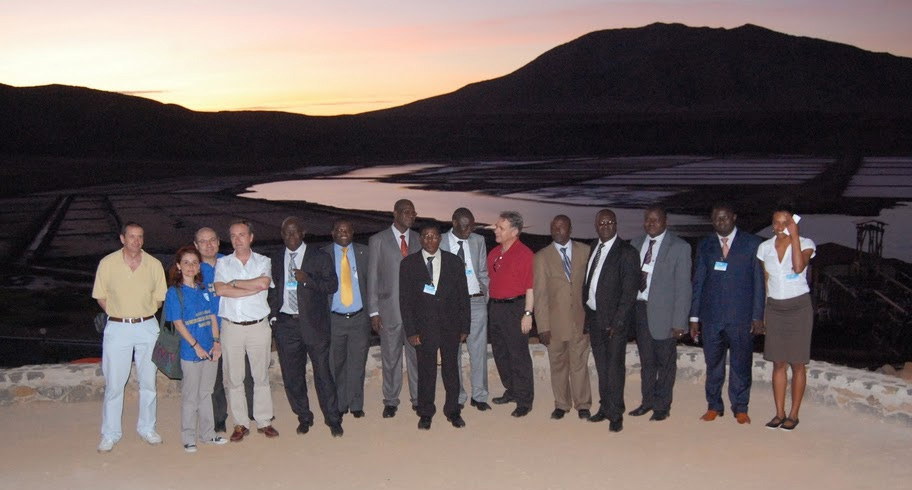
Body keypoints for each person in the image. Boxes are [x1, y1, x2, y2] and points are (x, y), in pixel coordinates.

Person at [93, 221, 167, 453]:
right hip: (118, 327)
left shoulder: (153, 264)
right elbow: (101, 296)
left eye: (140, 236)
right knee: (115, 384)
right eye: (132, 236)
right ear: (122, 238)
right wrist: (119, 313)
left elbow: (159, 299)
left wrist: (140, 313)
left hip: (147, 326)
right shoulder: (107, 263)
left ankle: (147, 428)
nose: (137, 240)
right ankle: (110, 433)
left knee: (148, 382)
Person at [689, 203, 765, 425]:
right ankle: (714, 406)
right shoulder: (705, 244)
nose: (720, 222)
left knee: (741, 364)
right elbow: (698, 281)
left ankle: (740, 408)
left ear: (734, 217)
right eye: (715, 218)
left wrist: (758, 316)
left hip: (741, 317)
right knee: (713, 365)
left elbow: (759, 283)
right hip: (711, 317)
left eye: (724, 217)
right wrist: (694, 317)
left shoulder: (752, 243)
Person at [268, 217, 343, 437]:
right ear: (282, 235)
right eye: (286, 233)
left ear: (303, 232)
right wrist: (273, 317)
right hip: (286, 325)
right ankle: (304, 416)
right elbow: (272, 289)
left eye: (295, 232)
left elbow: (332, 285)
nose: (291, 237)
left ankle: (333, 419)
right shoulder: (275, 258)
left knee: (323, 375)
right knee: (292, 376)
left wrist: (307, 279)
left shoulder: (319, 257)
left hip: (314, 325)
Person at [400, 224, 471, 430]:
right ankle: (425, 412)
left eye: (433, 236)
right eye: (425, 236)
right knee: (426, 372)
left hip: (451, 326)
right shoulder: (409, 264)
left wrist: (464, 326)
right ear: (420, 239)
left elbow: (463, 296)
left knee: (451, 371)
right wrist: (411, 331)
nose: (429, 240)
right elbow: (405, 301)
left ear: (440, 239)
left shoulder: (454, 262)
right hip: (423, 328)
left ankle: (453, 411)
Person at [213, 219, 277, 442]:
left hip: (258, 326)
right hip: (231, 328)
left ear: (251, 237)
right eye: (233, 235)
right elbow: (219, 290)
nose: (237, 239)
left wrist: (233, 283)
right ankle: (240, 423)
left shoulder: (263, 261)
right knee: (234, 378)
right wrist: (249, 287)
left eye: (241, 235)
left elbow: (264, 284)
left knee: (261, 376)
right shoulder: (223, 263)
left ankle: (264, 421)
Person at [628, 206, 692, 421]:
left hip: (666, 315)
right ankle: (647, 402)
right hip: (640, 310)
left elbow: (683, 288)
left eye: (656, 220)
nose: (651, 223)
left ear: (666, 221)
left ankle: (662, 407)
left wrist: (680, 322)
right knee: (646, 362)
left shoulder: (680, 247)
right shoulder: (636, 244)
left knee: (665, 364)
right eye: (647, 219)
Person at [163, 246, 229, 452]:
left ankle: (208, 434)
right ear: (178, 266)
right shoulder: (175, 292)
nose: (190, 267)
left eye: (194, 262)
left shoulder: (204, 289)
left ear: (199, 266)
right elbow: (178, 323)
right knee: (191, 396)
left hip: (210, 349)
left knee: (206, 393)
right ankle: (188, 437)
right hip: (191, 352)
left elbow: (212, 317)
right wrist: (196, 346)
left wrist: (217, 342)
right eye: (186, 263)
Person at [757, 204, 816, 431]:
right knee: (778, 362)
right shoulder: (764, 248)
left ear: (793, 222)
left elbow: (798, 267)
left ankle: (794, 414)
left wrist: (795, 236)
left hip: (799, 307)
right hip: (775, 308)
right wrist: (764, 314)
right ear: (772, 225)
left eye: (785, 222)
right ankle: (779, 413)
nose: (780, 226)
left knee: (797, 363)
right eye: (777, 222)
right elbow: (766, 281)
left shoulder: (806, 243)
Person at [583, 209, 640, 432]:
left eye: (609, 222)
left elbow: (629, 292)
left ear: (616, 224)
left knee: (614, 368)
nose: (605, 226)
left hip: (614, 323)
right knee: (602, 367)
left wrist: (618, 322)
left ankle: (616, 414)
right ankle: (605, 406)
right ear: (596, 225)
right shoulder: (594, 247)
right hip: (595, 316)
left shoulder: (627, 252)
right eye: (601, 223)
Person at [533, 215, 593, 420]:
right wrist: (542, 326)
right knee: (558, 364)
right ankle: (561, 404)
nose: (557, 230)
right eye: (554, 227)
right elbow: (540, 294)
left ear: (570, 229)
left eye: (562, 227)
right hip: (554, 323)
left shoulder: (585, 251)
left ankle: (582, 404)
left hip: (580, 320)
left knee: (579, 364)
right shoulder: (542, 257)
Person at [194, 227, 253, 434]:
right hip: (208, 330)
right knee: (215, 378)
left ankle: (251, 411)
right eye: (203, 241)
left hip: (235, 324)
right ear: (196, 245)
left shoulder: (231, 262)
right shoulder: (193, 268)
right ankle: (219, 418)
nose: (208, 245)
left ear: (219, 242)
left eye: (212, 240)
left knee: (244, 372)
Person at [367, 199, 421, 418]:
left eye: (413, 212)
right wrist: (374, 311)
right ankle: (390, 400)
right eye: (406, 211)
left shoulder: (419, 239)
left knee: (416, 357)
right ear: (395, 214)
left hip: (415, 313)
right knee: (390, 359)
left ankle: (418, 399)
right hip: (389, 311)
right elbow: (372, 277)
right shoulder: (378, 240)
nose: (411, 215)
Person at [439, 207, 491, 411]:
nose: (469, 230)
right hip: (451, 305)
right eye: (465, 226)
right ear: (454, 222)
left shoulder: (478, 241)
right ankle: (458, 395)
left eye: (472, 226)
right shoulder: (440, 241)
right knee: (453, 352)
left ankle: (479, 395)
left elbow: (483, 271)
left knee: (479, 351)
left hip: (476, 302)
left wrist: (484, 296)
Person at [487, 211, 535, 417]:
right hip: (495, 307)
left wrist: (527, 313)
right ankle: (512, 390)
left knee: (518, 355)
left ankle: (524, 400)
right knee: (500, 352)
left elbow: (531, 287)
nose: (496, 230)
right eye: (497, 226)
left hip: (515, 308)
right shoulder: (494, 253)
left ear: (514, 232)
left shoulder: (525, 254)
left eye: (501, 228)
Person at [323, 218, 370, 418]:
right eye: (339, 230)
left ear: (353, 232)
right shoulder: (323, 255)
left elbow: (372, 283)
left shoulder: (365, 253)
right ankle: (340, 404)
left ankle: (356, 404)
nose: (343, 233)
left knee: (357, 363)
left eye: (347, 230)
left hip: (359, 318)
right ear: (333, 233)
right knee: (336, 364)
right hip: (334, 319)